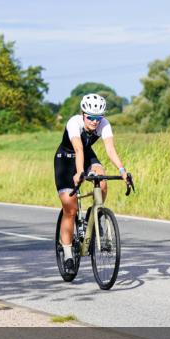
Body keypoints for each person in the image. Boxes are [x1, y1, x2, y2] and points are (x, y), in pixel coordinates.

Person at [54, 93, 131, 276]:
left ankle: (96, 213)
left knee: (101, 179)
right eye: (91, 118)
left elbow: (110, 149)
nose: (95, 122)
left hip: (87, 156)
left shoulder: (104, 124)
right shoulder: (74, 123)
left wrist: (122, 171)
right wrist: (80, 172)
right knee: (70, 209)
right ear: (83, 114)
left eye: (98, 118)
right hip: (65, 159)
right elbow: (78, 148)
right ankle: (67, 255)